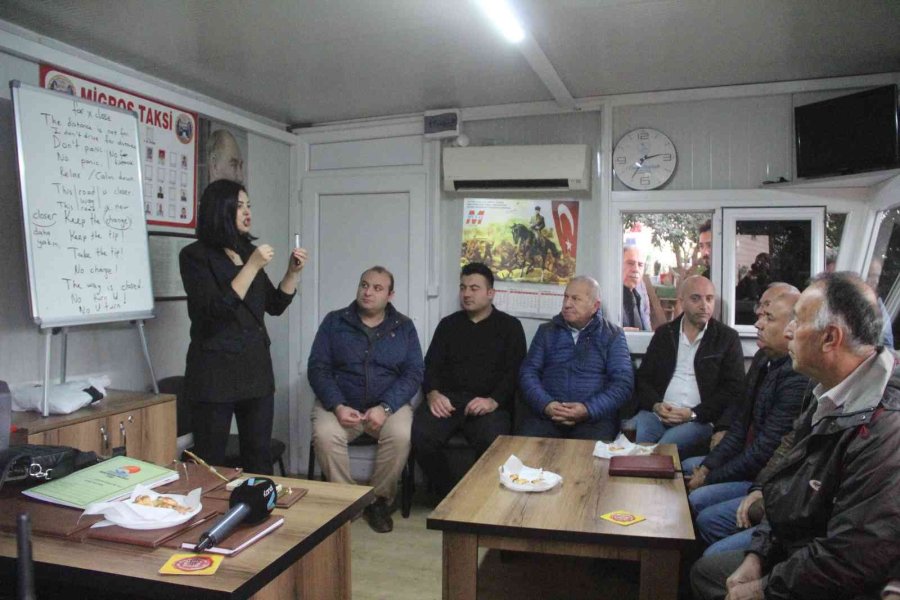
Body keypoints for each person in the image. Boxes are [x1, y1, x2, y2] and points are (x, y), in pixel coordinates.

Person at [691, 272, 900, 600]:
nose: (788, 331)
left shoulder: (887, 426)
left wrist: (763, 588)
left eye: (798, 321)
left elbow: (851, 558)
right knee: (707, 572)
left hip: (839, 576)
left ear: (830, 338)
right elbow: (787, 488)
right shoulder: (826, 389)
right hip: (798, 547)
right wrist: (758, 553)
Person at [180, 179, 307, 474]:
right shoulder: (195, 256)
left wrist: (292, 272)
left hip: (255, 369)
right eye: (239, 206)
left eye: (249, 205)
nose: (247, 212)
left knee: (259, 455)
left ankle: (258, 503)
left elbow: (274, 305)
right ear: (220, 210)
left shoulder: (247, 250)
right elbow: (216, 310)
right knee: (210, 458)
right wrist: (251, 266)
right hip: (214, 373)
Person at [682, 283, 808, 556]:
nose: (758, 324)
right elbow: (740, 425)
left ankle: (693, 565)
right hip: (751, 464)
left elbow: (763, 451)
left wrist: (710, 476)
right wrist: (707, 467)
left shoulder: (797, 376)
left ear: (793, 327)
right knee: (688, 468)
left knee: (698, 498)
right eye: (760, 314)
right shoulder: (763, 357)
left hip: (763, 477)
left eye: (768, 318)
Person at [308, 266, 424, 533]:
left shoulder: (404, 327)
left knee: (401, 435)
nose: (368, 292)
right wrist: (337, 405)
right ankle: (349, 501)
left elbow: (414, 372)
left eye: (377, 288)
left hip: (387, 407)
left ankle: (378, 501)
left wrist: (386, 407)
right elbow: (318, 368)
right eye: (364, 285)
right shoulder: (334, 322)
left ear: (390, 295)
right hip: (340, 404)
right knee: (325, 436)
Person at [411, 263, 526, 498]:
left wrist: (493, 401)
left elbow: (515, 372)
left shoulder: (510, 327)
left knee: (494, 441)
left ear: (490, 293)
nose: (466, 294)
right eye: (463, 287)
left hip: (488, 405)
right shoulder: (448, 325)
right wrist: (433, 394)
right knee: (421, 436)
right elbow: (430, 365)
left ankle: (478, 497)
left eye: (474, 288)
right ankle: (451, 495)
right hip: (448, 402)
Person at [626, 276, 745, 457]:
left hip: (698, 420)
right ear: (681, 302)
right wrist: (656, 405)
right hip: (658, 415)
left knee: (662, 452)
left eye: (709, 299)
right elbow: (643, 379)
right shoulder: (665, 334)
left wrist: (693, 413)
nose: (704, 305)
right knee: (635, 443)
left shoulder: (727, 338)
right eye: (696, 298)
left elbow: (733, 389)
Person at [518, 276, 633, 441]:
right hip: (548, 416)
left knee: (590, 455)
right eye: (565, 297)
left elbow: (622, 384)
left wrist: (588, 409)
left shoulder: (612, 335)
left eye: (575, 299)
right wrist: (546, 405)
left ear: (595, 306)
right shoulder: (546, 331)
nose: (567, 304)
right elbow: (528, 374)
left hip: (593, 419)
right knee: (527, 449)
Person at [622, 245, 651, 331]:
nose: (636, 269)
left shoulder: (641, 288)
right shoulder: (609, 290)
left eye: (640, 265)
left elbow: (647, 326)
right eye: (630, 263)